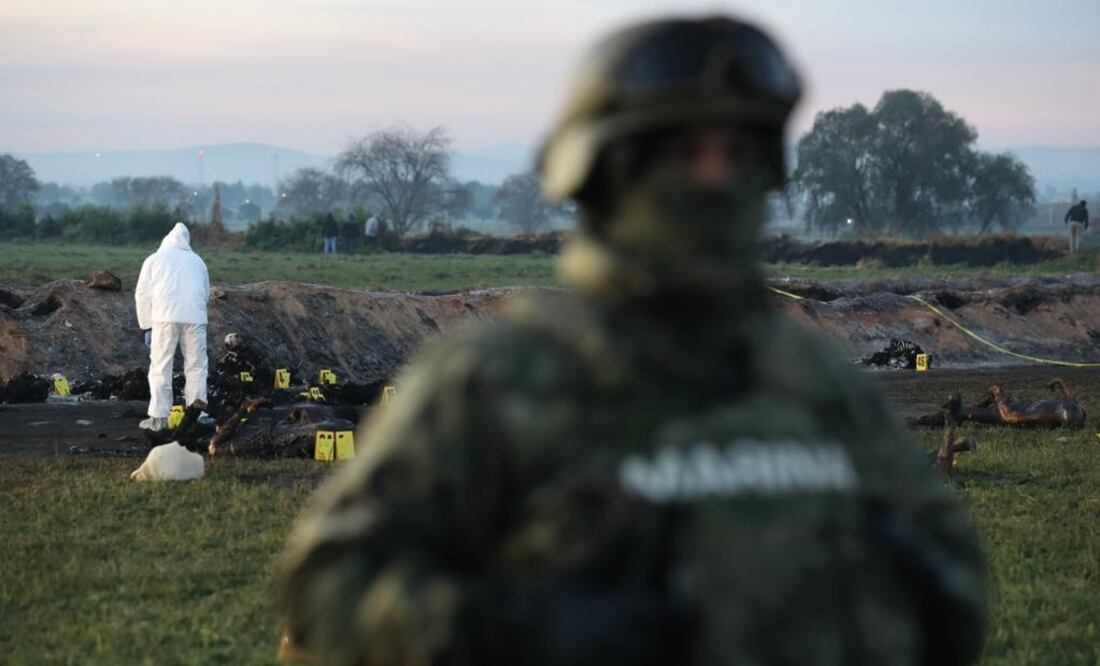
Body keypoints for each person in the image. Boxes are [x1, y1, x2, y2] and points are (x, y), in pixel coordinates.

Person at [279, 15, 988, 665]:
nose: (717, 176)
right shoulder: (499, 380)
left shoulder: (810, 379)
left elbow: (952, 570)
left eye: (737, 150)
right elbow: (327, 589)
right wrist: (517, 629)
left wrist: (879, 588)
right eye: (686, 151)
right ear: (610, 170)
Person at [134, 222, 212, 431]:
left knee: (161, 366)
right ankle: (199, 414)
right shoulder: (197, 261)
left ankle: (159, 418)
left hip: (164, 318)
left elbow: (142, 294)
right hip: (195, 319)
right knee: (197, 366)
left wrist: (146, 325)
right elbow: (205, 292)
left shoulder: (154, 260)